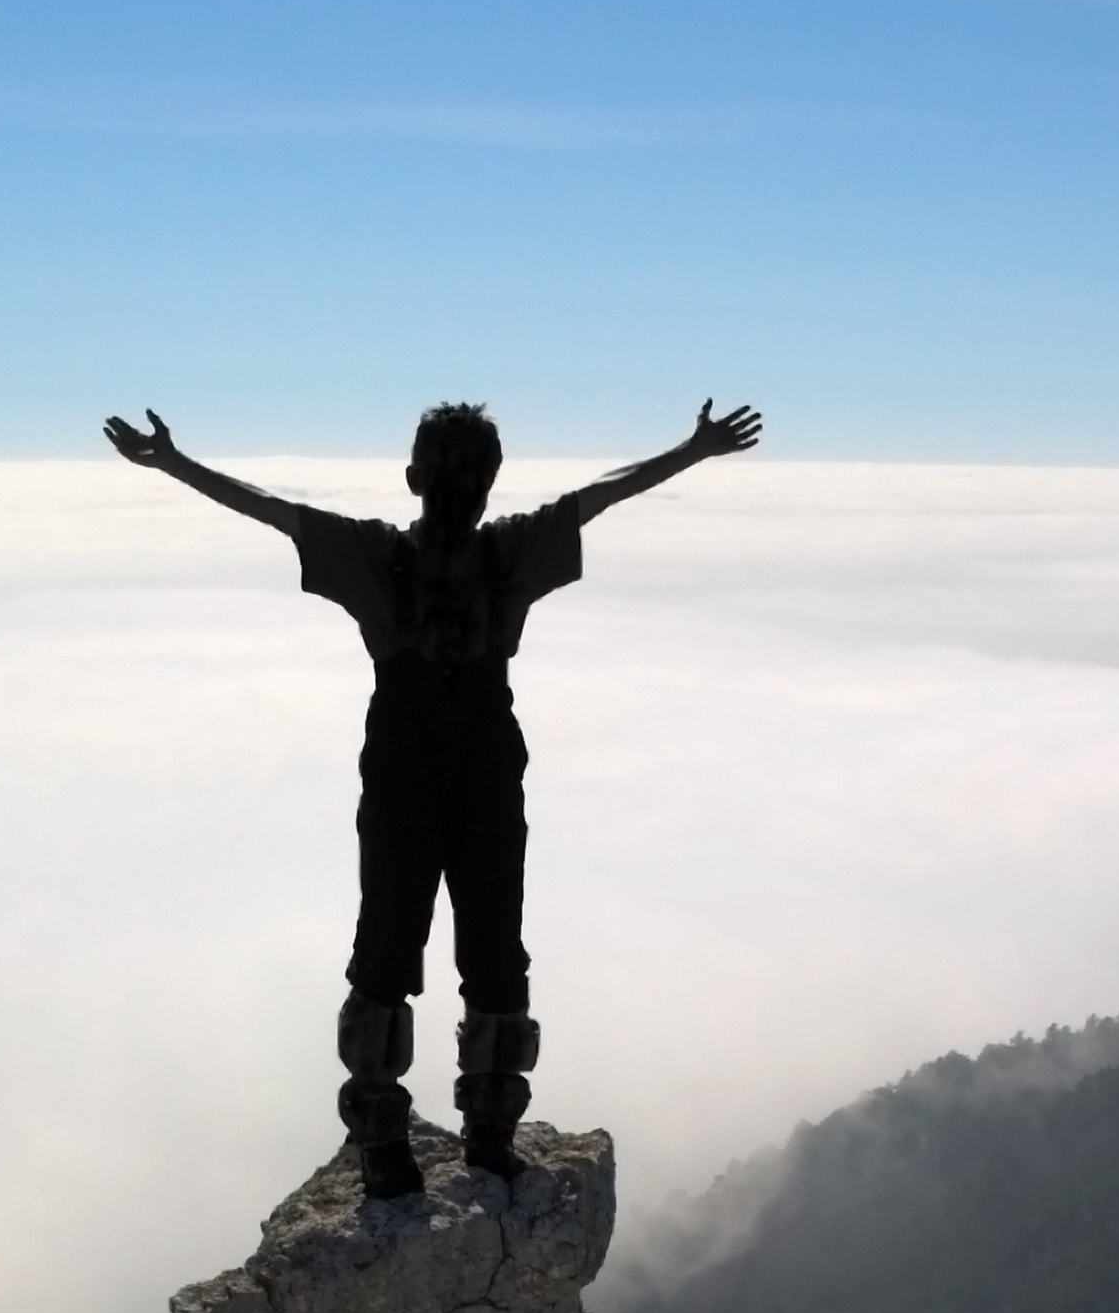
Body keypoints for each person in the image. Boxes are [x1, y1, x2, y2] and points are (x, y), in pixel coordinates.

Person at [104, 397, 764, 1198]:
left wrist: (173, 464)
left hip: (406, 771)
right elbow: (605, 495)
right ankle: (487, 1134)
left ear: (412, 476)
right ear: (490, 484)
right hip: (483, 768)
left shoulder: (374, 555)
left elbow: (269, 511)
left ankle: (386, 1139)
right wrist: (692, 450)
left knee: (389, 947)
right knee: (492, 952)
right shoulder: (512, 551)